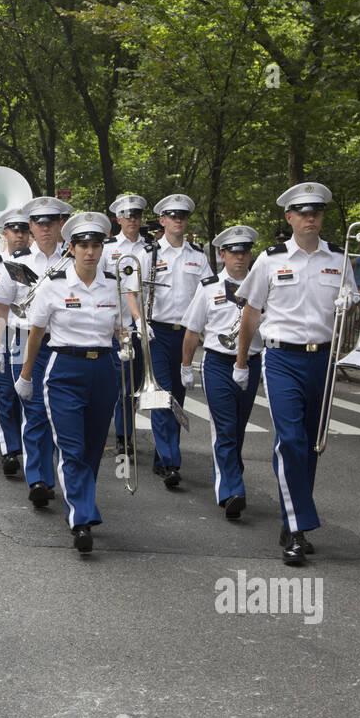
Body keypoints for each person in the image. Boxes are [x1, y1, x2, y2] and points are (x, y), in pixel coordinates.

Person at [233, 182, 358, 565]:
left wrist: (348, 303)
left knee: (310, 442)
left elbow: (348, 304)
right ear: (289, 217)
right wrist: (240, 362)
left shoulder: (340, 258)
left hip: (322, 358)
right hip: (281, 358)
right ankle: (298, 527)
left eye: (316, 211)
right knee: (289, 439)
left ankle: (292, 518)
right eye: (302, 211)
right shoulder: (270, 260)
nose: (310, 217)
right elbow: (251, 313)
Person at [14, 212, 121, 553]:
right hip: (64, 371)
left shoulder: (114, 285)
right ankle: (81, 518)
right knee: (71, 448)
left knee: (92, 448)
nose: (90, 252)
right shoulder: (53, 286)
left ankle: (81, 504)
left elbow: (122, 329)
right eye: (83, 245)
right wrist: (26, 375)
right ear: (71, 248)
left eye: (96, 245)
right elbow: (36, 334)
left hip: (104, 369)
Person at [0, 195, 71, 509]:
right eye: (38, 222)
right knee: (35, 412)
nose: (45, 227)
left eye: (51, 221)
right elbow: (0, 305)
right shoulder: (19, 262)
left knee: (62, 416)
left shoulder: (74, 258)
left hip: (65, 344)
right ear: (31, 227)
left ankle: (67, 475)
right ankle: (39, 478)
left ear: (61, 224)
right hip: (26, 343)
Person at [179, 226, 263, 520]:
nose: (240, 258)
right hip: (217, 362)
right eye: (234, 252)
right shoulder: (209, 287)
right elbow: (192, 330)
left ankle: (231, 478)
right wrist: (186, 365)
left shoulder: (262, 286)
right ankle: (232, 491)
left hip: (252, 362)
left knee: (237, 429)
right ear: (222, 255)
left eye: (245, 252)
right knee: (225, 427)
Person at [138, 193, 212, 489]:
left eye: (182, 216)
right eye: (172, 216)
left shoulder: (198, 256)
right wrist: (139, 324)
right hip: (156, 332)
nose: (177, 220)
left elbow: (208, 294)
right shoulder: (149, 254)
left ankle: (162, 455)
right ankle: (171, 462)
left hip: (186, 334)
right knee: (159, 395)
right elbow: (134, 291)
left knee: (177, 398)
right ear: (163, 220)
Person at [0, 209, 31, 475]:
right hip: (6, 334)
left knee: (29, 397)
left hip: (31, 336)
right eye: (15, 230)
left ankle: (29, 448)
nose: (20, 235)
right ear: (5, 234)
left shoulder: (38, 262)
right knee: (6, 395)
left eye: (24, 230)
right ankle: (10, 450)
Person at [105, 193, 150, 458]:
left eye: (136, 215)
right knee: (110, 385)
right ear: (118, 219)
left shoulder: (150, 249)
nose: (132, 220)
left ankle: (125, 435)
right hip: (112, 326)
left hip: (141, 328)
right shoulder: (107, 249)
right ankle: (107, 429)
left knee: (130, 387)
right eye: (126, 215)